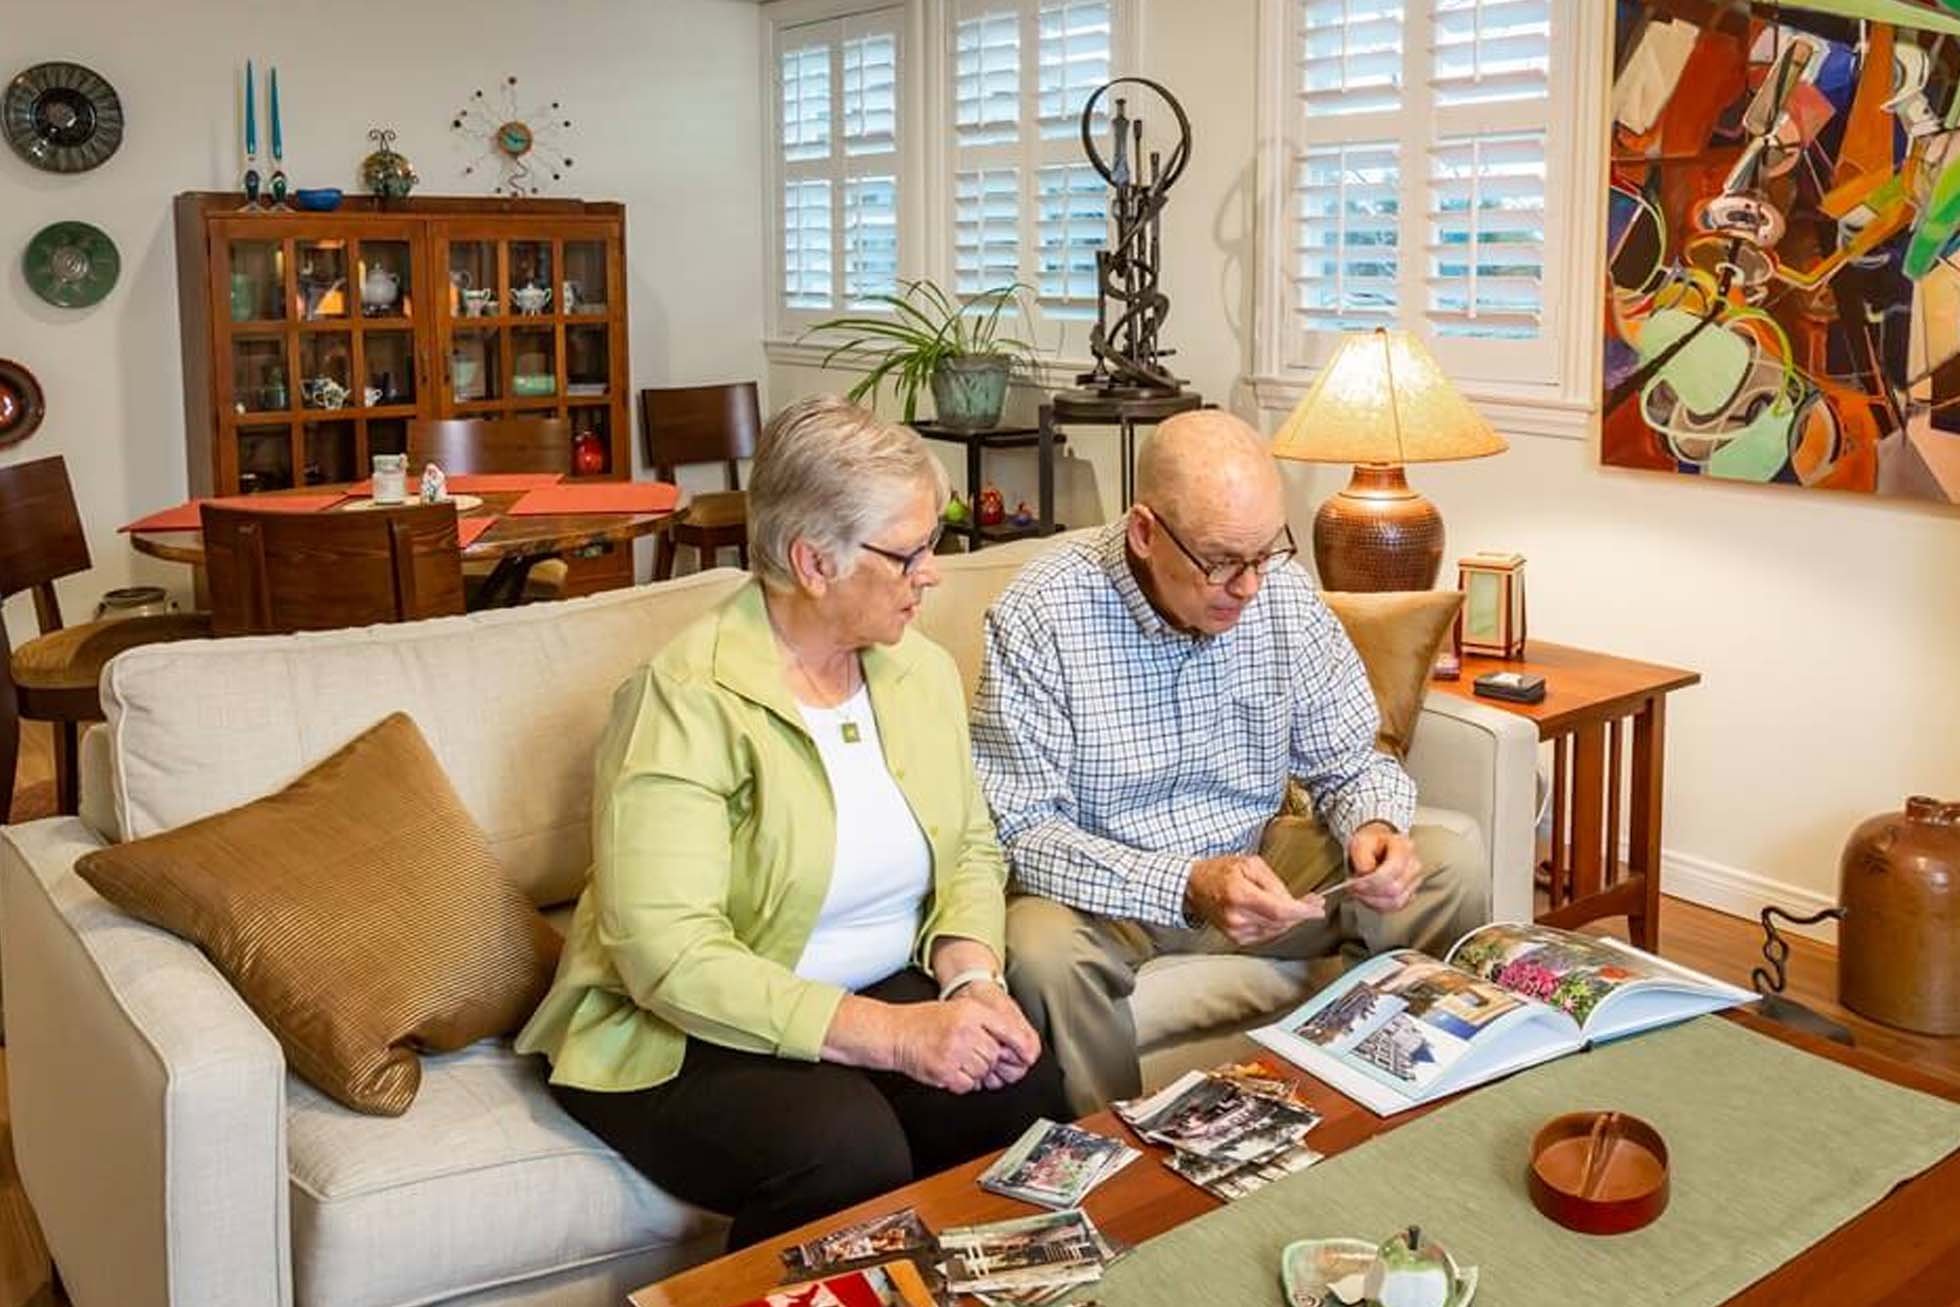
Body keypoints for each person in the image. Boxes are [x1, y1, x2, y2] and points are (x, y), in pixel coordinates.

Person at [518, 396, 1065, 1248]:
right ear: (814, 562)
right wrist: (891, 1034)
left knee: (1019, 1090)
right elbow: (669, 957)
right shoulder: (685, 698)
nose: (934, 572)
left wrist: (971, 980)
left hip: (876, 981)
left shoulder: (915, 669)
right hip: (678, 1031)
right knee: (845, 1154)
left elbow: (970, 849)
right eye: (911, 552)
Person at [971, 409, 1487, 1115]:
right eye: (1220, 561)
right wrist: (1186, 882)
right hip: (1108, 896)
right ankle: (1121, 1166)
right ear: (1145, 533)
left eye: (1263, 554)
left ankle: (1394, 1108)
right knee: (1037, 948)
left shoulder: (1279, 591)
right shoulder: (1041, 613)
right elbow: (1022, 831)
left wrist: (1375, 825)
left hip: (1263, 867)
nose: (1248, 587)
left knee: (1448, 865)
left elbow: (1350, 758)